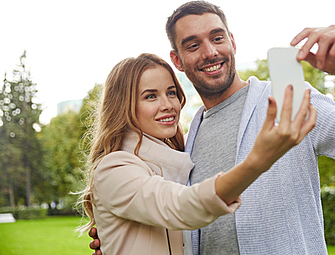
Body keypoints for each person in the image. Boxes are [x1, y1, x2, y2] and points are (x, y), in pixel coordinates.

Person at [90, 0, 335, 254]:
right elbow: (177, 208)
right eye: (193, 44)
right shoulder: (188, 136)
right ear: (178, 60)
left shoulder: (284, 99)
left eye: (217, 37)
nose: (210, 52)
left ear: (232, 42)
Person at [79, 53, 316, 255]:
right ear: (123, 105)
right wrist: (257, 161)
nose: (168, 105)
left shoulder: (178, 158)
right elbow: (181, 206)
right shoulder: (115, 168)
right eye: (150, 96)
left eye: (171, 92)